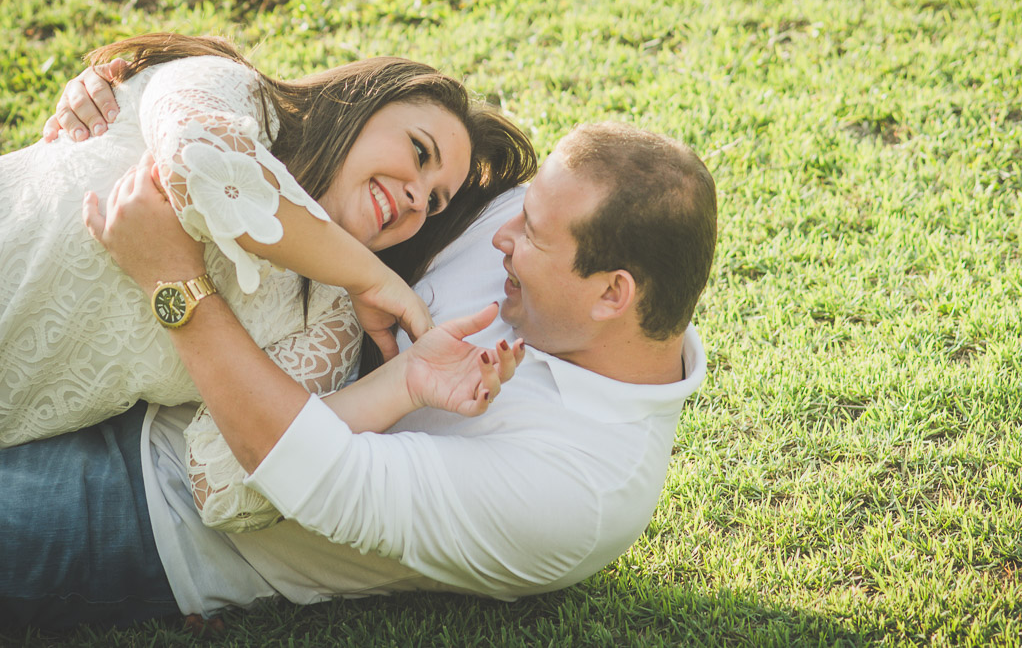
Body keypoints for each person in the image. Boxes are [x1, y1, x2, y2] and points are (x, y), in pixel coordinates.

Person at [4, 92, 717, 630]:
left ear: (612, 295)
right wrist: (132, 79)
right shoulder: (537, 237)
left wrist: (172, 282)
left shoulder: (580, 491)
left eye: (530, 231)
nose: (502, 231)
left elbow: (309, 473)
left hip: (161, 508)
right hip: (133, 363)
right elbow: (356, 128)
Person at [0, 34, 536, 468]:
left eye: (435, 203)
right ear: (367, 102)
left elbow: (224, 477)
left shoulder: (332, 323)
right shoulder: (236, 91)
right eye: (420, 151)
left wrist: (405, 382)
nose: (419, 199)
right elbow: (203, 169)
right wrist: (373, 278)